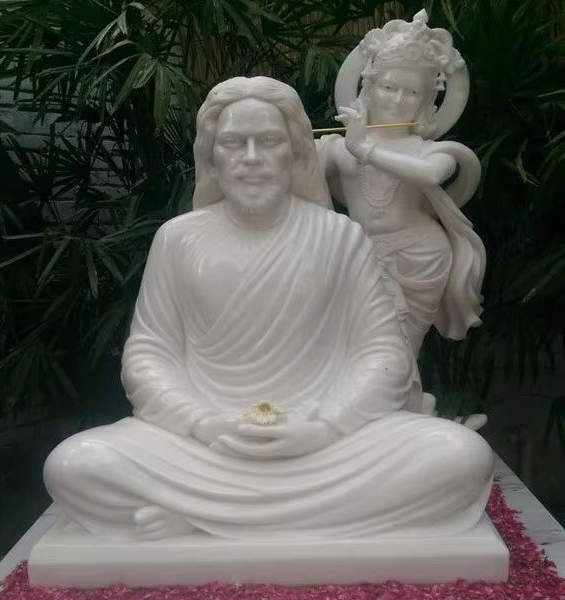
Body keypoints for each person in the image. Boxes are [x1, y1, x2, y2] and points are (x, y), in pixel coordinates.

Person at [43, 76, 493, 542]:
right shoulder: (178, 239)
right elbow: (149, 354)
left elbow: (383, 353)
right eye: (233, 143)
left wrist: (324, 425)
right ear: (212, 156)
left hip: (322, 443)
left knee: (460, 455)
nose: (252, 158)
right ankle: (297, 515)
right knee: (74, 464)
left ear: (296, 152)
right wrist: (203, 423)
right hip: (208, 446)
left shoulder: (339, 237)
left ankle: (204, 514)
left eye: (270, 141)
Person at [318, 10, 485, 358]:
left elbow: (430, 175)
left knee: (401, 352)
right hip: (360, 256)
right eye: (389, 87)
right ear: (369, 87)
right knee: (357, 352)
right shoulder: (338, 148)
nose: (397, 100)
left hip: (421, 256)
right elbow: (295, 180)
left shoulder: (433, 151)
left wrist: (365, 150)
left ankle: (406, 391)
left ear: (427, 101)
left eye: (412, 93)